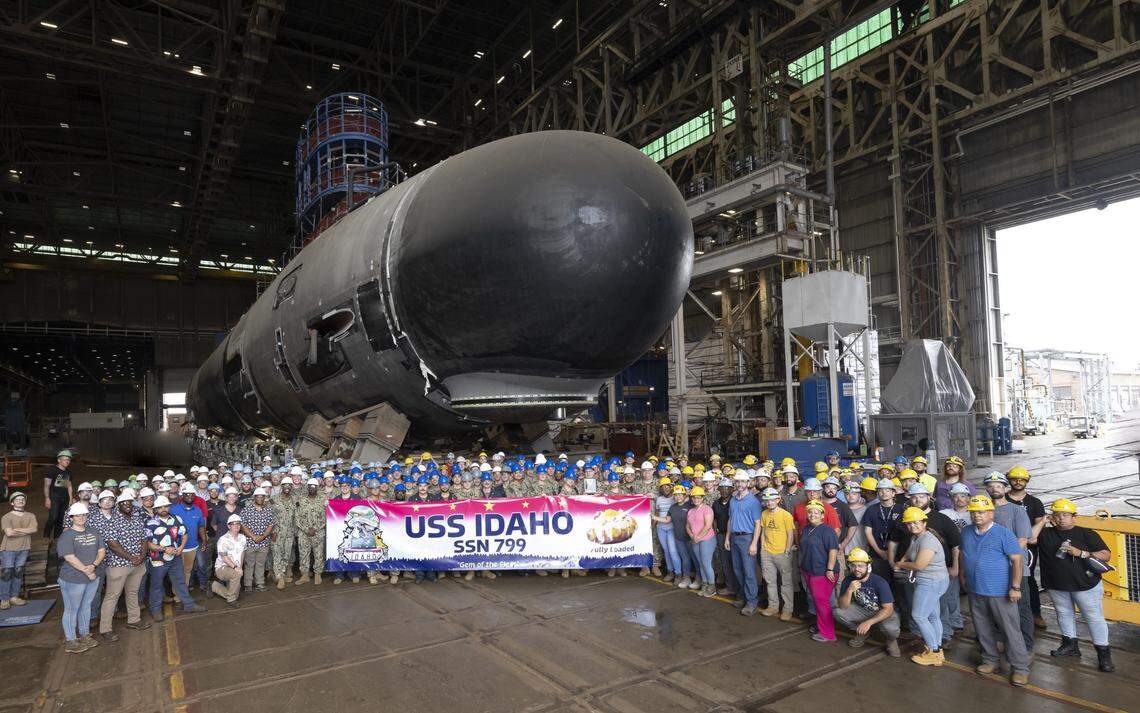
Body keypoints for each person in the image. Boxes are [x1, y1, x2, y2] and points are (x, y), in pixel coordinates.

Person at [959, 495, 1029, 687]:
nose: (977, 516)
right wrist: (963, 576)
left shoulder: (1003, 534)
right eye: (973, 513)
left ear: (991, 513)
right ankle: (990, 660)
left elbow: (1017, 560)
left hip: (1000, 591)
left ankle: (1020, 668)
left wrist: (1015, 587)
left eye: (981, 512)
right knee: (982, 628)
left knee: (1010, 630)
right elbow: (963, 555)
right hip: (975, 590)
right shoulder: (966, 532)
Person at [1037, 498, 1114, 672]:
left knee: (1093, 618)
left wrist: (1081, 553)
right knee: (1064, 614)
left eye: (1065, 515)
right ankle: (1070, 646)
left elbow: (1105, 554)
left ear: (1074, 517)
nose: (1061, 518)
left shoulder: (1086, 533)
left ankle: (1104, 655)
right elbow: (1031, 538)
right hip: (1057, 584)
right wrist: (1043, 521)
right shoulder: (1046, 534)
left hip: (1085, 585)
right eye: (1057, 515)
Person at [984, 472, 1034, 653]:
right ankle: (999, 640)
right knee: (996, 607)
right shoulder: (984, 511)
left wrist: (1001, 558)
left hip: (1015, 568)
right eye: (990, 485)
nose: (994, 488)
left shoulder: (1017, 511)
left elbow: (1022, 540)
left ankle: (1027, 647)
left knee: (1021, 608)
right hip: (992, 570)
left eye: (998, 485)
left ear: (1005, 488)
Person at [895, 507, 949, 666]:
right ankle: (937, 649)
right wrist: (902, 560)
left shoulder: (928, 540)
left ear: (924, 522)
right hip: (931, 580)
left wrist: (900, 564)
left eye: (916, 522)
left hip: (931, 581)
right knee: (932, 616)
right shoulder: (916, 537)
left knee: (919, 616)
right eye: (909, 523)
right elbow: (909, 552)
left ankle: (934, 651)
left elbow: (919, 564)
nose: (913, 526)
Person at [99, 491, 150, 641]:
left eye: (129, 502)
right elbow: (112, 544)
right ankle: (105, 629)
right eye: (123, 503)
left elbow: (144, 539)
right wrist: (131, 557)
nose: (127, 504)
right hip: (118, 565)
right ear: (118, 504)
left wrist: (141, 556)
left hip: (138, 563)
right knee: (112, 596)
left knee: (132, 592)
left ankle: (134, 620)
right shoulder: (112, 520)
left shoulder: (137, 518)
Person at [145, 496, 204, 621]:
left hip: (175, 558)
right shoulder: (150, 523)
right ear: (155, 509)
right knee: (156, 585)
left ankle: (189, 605)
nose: (163, 509)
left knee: (180, 581)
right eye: (160, 507)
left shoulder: (176, 519)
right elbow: (148, 543)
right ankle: (155, 610)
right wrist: (164, 549)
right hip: (158, 559)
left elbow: (184, 534)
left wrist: (181, 548)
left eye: (165, 506)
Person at [833, 547, 901, 656]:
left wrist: (868, 622)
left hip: (883, 612)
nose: (856, 569)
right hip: (864, 609)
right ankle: (863, 632)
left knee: (890, 629)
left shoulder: (879, 582)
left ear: (868, 567)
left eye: (860, 566)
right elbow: (842, 606)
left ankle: (891, 640)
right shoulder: (848, 580)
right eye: (853, 565)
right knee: (837, 612)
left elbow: (888, 609)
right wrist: (849, 590)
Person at [57, 503, 105, 653]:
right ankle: (71, 640)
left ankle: (84, 635)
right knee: (72, 609)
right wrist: (87, 570)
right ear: (71, 517)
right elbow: (70, 557)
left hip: (91, 576)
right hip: (73, 578)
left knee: (86, 606)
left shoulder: (93, 531)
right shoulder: (67, 535)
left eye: (84, 515)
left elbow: (101, 550)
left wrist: (94, 565)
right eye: (78, 515)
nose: (81, 517)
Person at [1005, 466, 1047, 630]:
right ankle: (1008, 614)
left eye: (1022, 479)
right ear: (1009, 480)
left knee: (1027, 579)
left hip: (1027, 547)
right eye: (1015, 478)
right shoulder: (1002, 499)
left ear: (1027, 481)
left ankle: (1035, 613)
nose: (1018, 482)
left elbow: (1038, 525)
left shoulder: (1034, 503)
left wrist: (1029, 539)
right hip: (1004, 544)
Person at [798, 502, 839, 642]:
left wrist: (830, 569)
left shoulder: (827, 530)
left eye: (816, 512)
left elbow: (833, 550)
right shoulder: (806, 528)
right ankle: (820, 625)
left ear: (822, 515)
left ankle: (828, 634)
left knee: (822, 602)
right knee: (817, 601)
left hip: (822, 572)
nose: (812, 514)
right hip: (809, 569)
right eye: (810, 512)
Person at [726, 471, 762, 616]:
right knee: (738, 570)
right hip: (734, 537)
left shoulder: (753, 501)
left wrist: (754, 543)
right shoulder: (733, 500)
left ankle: (752, 602)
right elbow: (730, 520)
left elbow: (758, 524)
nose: (740, 484)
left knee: (748, 572)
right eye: (737, 481)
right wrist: (728, 537)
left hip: (747, 538)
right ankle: (744, 597)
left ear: (748, 483)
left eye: (742, 481)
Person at [758, 487, 795, 620]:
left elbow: (790, 534)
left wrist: (787, 550)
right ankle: (773, 606)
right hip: (767, 552)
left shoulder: (786, 515)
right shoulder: (764, 514)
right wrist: (762, 548)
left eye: (772, 500)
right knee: (770, 581)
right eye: (767, 500)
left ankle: (787, 609)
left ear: (778, 499)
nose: (769, 503)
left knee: (786, 583)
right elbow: (763, 532)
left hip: (782, 553)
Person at [1, 492, 37, 609]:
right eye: (17, 499)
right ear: (12, 503)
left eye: (22, 499)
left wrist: (16, 529)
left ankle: (14, 597)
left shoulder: (31, 515)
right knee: (7, 573)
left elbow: (34, 529)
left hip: (24, 548)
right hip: (8, 549)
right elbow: (9, 533)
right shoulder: (6, 517)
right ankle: (4, 599)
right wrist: (26, 530)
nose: (20, 501)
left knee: (18, 572)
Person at [170, 484, 207, 597]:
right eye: (186, 494)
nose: (189, 496)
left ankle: (183, 594)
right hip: (177, 548)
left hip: (192, 547)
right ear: (182, 495)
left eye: (191, 494)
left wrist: (204, 540)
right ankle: (177, 594)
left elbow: (201, 526)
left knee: (187, 571)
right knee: (177, 573)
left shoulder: (197, 510)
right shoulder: (173, 510)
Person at [240, 488, 275, 591]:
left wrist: (263, 536)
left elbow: (270, 525)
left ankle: (259, 583)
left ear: (264, 498)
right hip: (250, 542)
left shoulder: (268, 510)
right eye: (258, 496)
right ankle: (248, 585)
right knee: (249, 564)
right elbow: (243, 525)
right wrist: (253, 537)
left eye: (262, 496)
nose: (260, 498)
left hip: (263, 543)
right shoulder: (246, 510)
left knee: (260, 564)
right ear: (254, 498)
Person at [295, 478, 327, 585]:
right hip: (304, 533)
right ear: (307, 487)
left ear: (317, 487)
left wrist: (316, 528)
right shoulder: (301, 499)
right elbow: (297, 517)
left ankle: (318, 574)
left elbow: (326, 516)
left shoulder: (323, 499)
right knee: (303, 554)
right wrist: (306, 529)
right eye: (310, 486)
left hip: (318, 532)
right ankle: (304, 575)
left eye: (314, 486)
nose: (312, 488)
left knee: (318, 554)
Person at [685, 486, 716, 597]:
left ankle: (712, 587)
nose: (695, 499)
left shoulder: (707, 509)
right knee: (700, 563)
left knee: (706, 563)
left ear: (702, 498)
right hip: (695, 540)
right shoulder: (691, 511)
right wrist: (692, 536)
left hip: (707, 539)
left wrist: (697, 537)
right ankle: (704, 584)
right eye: (694, 497)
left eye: (698, 497)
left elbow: (708, 526)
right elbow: (687, 526)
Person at [212, 514, 246, 608]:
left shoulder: (242, 538)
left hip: (235, 568)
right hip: (222, 568)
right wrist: (236, 568)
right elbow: (224, 557)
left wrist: (240, 567)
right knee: (236, 576)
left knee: (237, 594)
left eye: (238, 523)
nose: (236, 526)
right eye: (233, 524)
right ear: (228, 526)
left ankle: (213, 586)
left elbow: (242, 554)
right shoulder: (223, 539)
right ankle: (231, 599)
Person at [710, 478, 737, 597]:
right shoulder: (715, 503)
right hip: (721, 535)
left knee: (736, 562)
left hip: (734, 536)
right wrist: (716, 532)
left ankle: (739, 587)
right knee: (725, 562)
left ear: (732, 489)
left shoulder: (735, 501)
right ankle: (730, 587)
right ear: (719, 489)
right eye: (722, 488)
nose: (725, 490)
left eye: (727, 488)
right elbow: (714, 518)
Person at [270, 477, 298, 589]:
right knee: (277, 555)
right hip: (277, 533)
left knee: (286, 555)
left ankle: (281, 574)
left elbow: (296, 517)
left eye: (289, 485)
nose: (287, 487)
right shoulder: (273, 499)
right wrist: (272, 531)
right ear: (281, 486)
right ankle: (280, 578)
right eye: (285, 485)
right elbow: (269, 517)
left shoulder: (295, 500)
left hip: (290, 534)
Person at [652, 477, 681, 583]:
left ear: (671, 487)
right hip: (661, 528)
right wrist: (653, 526)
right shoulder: (659, 499)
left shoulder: (675, 498)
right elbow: (657, 513)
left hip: (671, 528)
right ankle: (670, 572)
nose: (665, 488)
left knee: (673, 551)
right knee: (666, 551)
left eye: (667, 486)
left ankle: (678, 573)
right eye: (663, 487)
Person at [668, 485, 696, 589]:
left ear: (685, 495)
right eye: (676, 495)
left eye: (680, 495)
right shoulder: (673, 507)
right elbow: (667, 520)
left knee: (695, 558)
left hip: (691, 537)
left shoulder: (691, 506)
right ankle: (686, 578)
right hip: (679, 538)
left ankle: (700, 579)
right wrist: (653, 517)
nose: (678, 497)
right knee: (685, 559)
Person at [43, 450, 74, 541]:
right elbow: (46, 485)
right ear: (59, 460)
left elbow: (69, 486)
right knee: (53, 517)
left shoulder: (68, 472)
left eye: (68, 460)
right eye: (64, 459)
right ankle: (46, 535)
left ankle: (57, 537)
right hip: (54, 497)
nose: (67, 461)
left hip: (65, 498)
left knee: (61, 518)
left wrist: (70, 499)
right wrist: (47, 499)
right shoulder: (52, 470)